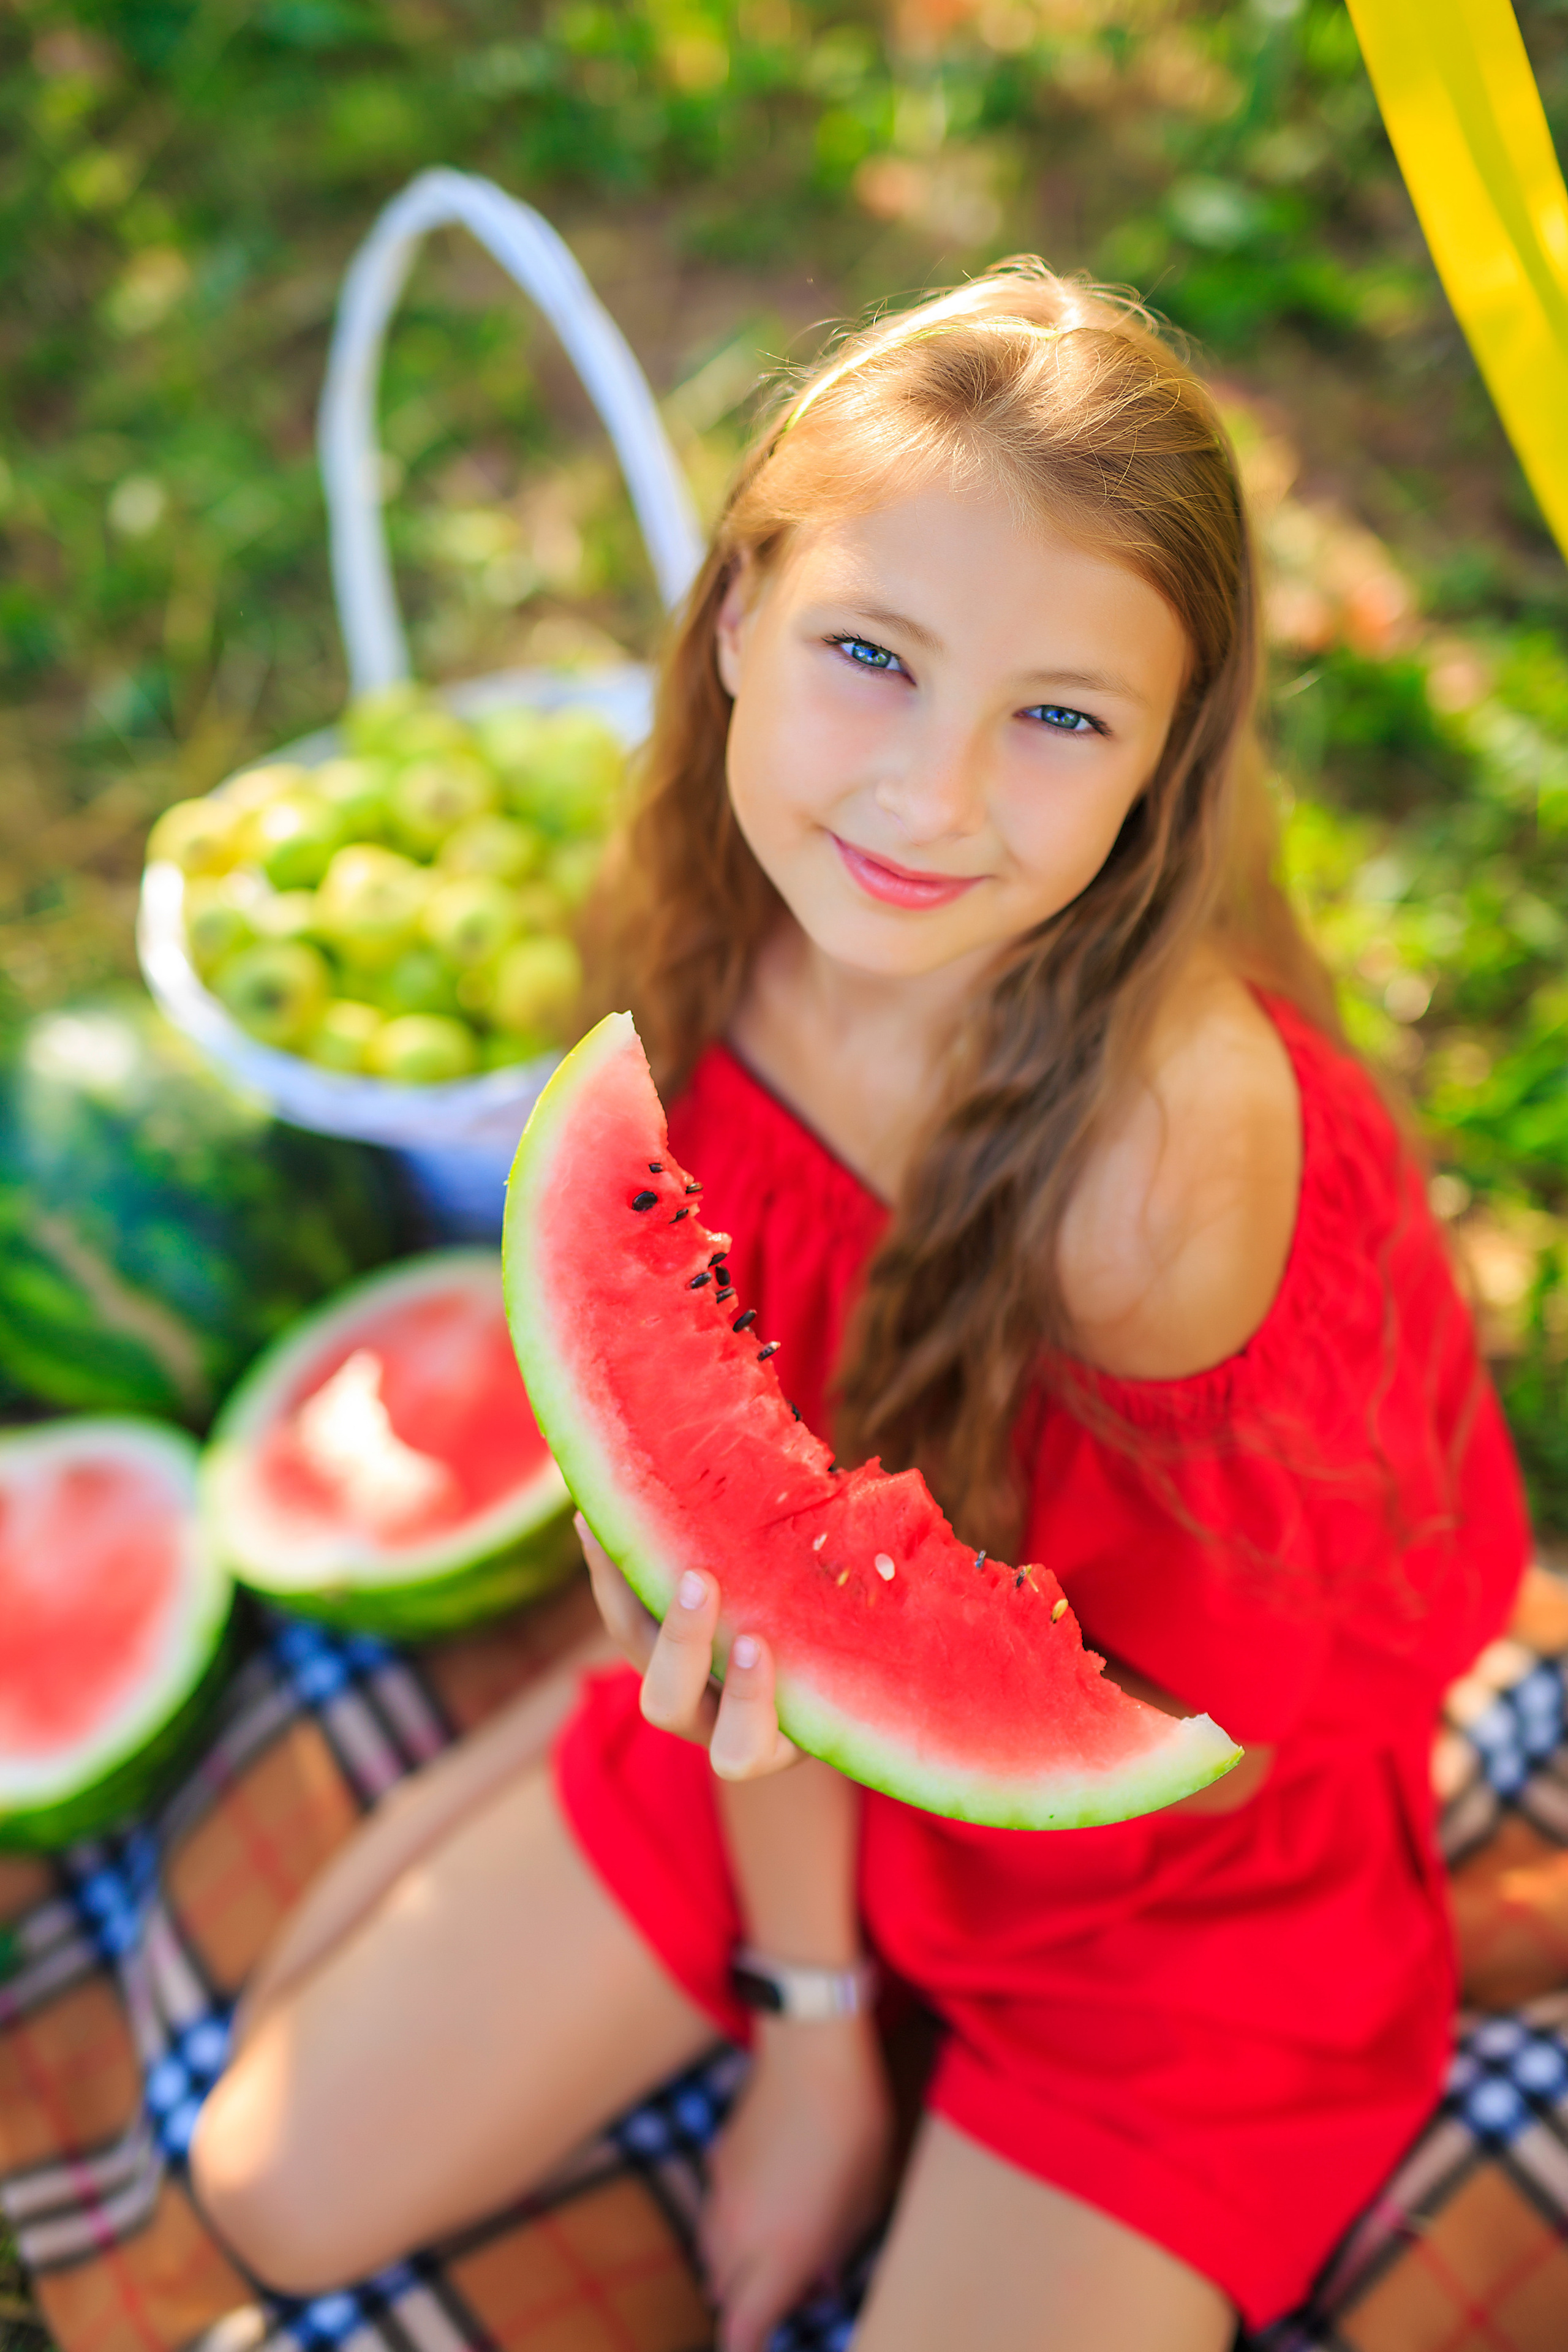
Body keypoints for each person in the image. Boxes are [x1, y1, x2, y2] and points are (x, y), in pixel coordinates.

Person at [190, 262, 1529, 2352]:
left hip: (1163, 1901)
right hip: (778, 1752)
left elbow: (1194, 1749)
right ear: (738, 613)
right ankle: (645, 1782)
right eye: (870, 656)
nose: (926, 797)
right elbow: (791, 1583)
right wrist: (811, 2018)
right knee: (268, 2192)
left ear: (1164, 761)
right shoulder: (711, 924)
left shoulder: (1164, 1163)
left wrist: (797, 1684)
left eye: (1060, 717)